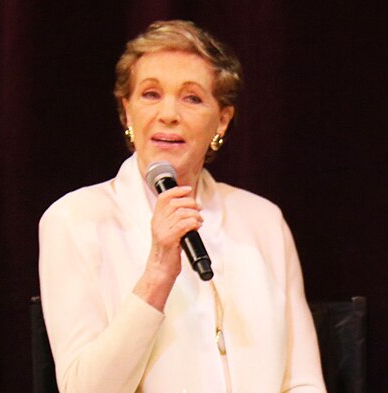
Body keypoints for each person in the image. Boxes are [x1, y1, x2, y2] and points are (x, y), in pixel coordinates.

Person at [39, 20, 326, 393]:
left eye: (191, 97)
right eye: (150, 94)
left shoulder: (263, 221)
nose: (168, 113)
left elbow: (303, 382)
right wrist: (158, 272)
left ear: (222, 120)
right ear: (127, 112)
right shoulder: (74, 220)